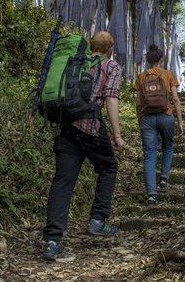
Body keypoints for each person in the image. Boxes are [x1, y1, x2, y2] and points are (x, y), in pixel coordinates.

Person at [42, 31, 125, 260]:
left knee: (63, 181)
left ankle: (52, 241)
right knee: (108, 167)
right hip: (89, 125)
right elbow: (110, 98)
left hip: (64, 127)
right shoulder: (111, 66)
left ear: (91, 47)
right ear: (110, 49)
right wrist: (117, 134)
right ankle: (98, 220)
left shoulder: (75, 62)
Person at [134, 44, 183, 205]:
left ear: (148, 60)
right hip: (166, 116)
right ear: (161, 59)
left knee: (149, 155)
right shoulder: (168, 74)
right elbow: (175, 99)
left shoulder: (142, 76)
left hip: (148, 118)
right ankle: (163, 180)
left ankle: (151, 195)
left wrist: (140, 119)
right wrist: (180, 121)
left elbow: (138, 102)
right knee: (168, 146)